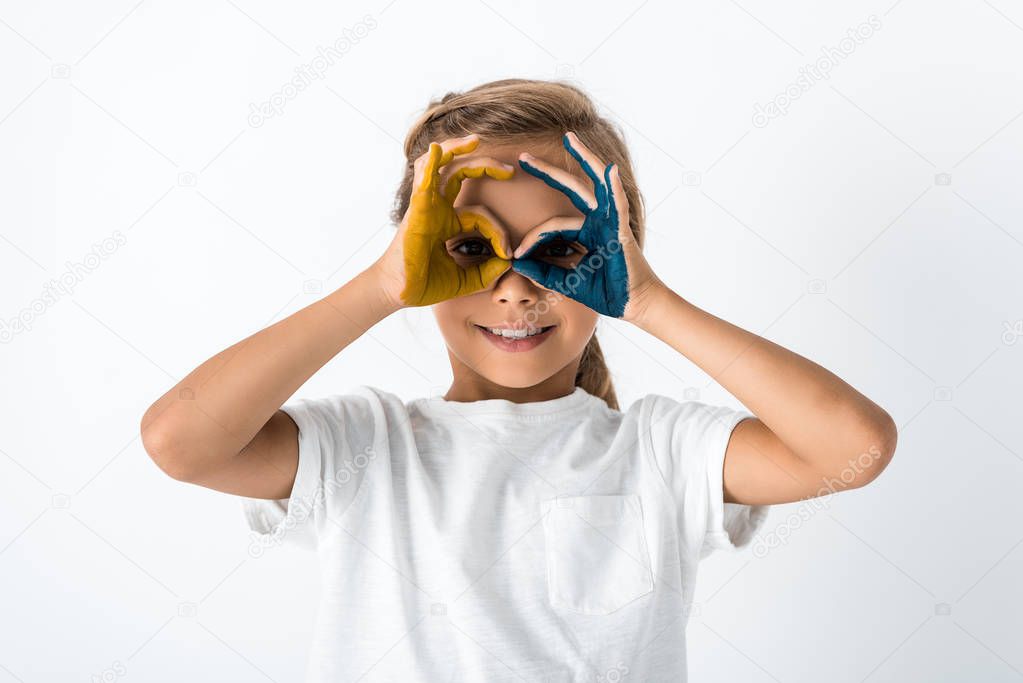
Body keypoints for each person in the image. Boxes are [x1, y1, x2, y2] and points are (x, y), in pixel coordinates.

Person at [140, 78, 898, 682]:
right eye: (471, 249)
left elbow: (851, 449)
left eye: (561, 251)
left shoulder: (660, 449)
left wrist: (651, 302)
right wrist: (376, 287)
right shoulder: (361, 447)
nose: (514, 288)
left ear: (618, 252)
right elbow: (180, 442)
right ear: (415, 258)